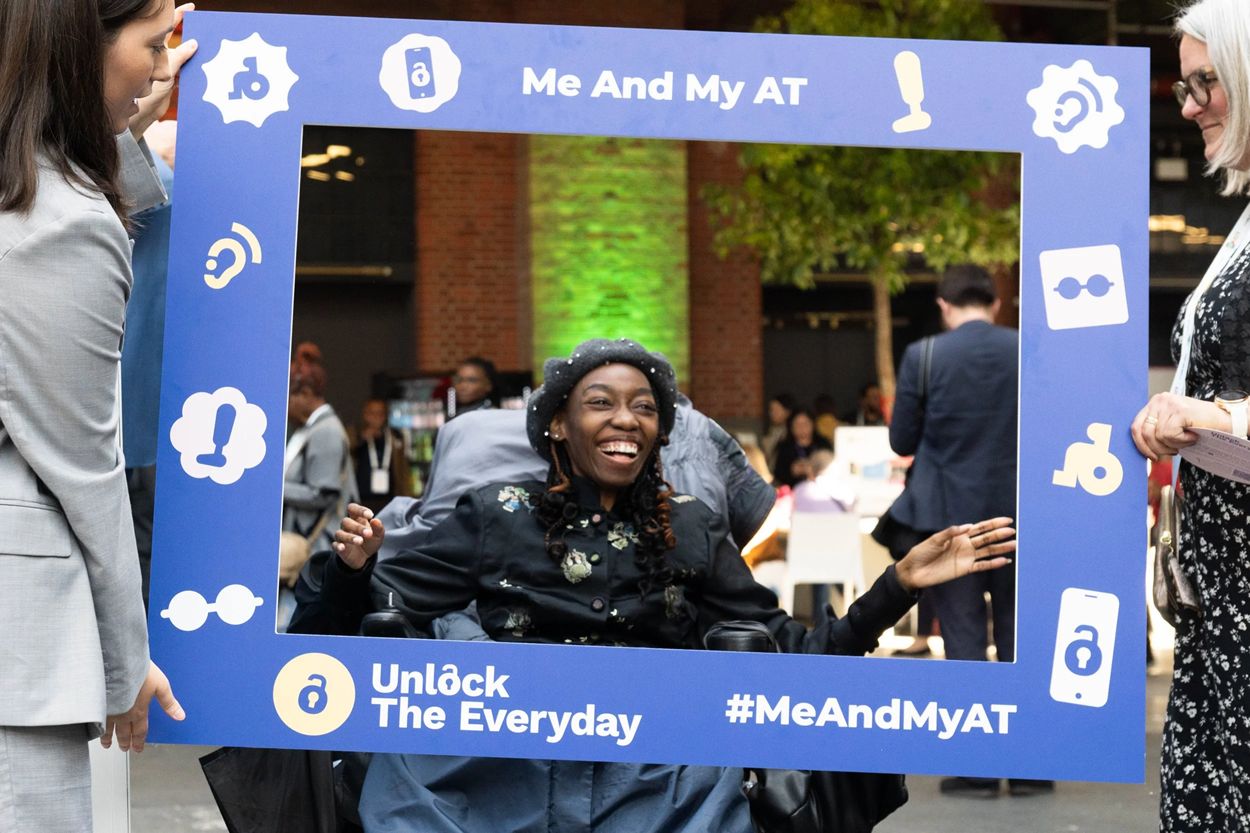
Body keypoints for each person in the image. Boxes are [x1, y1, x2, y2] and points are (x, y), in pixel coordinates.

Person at [292, 337, 1016, 831]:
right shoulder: (493, 514)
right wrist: (353, 570)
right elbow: (347, 630)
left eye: (643, 406)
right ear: (558, 427)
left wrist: (896, 584)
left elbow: (795, 651)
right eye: (601, 402)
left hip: (662, 783)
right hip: (494, 766)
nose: (625, 418)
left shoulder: (693, 528)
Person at [0, 0, 193, 827]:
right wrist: (128, 660)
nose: (160, 72)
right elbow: (83, 464)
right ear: (84, 49)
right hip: (21, 645)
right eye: (151, 47)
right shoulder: (64, 225)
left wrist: (117, 141)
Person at [1132, 3, 1250, 826]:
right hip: (1221, 590)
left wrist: (1207, 413)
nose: (1192, 104)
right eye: (1184, 86)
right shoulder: (1241, 225)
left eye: (1207, 81)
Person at [887, 265, 1033, 797]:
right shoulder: (1028, 349)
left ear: (945, 306)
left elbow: (902, 439)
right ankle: (1030, 762)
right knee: (1021, 634)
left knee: (965, 634)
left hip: (949, 518)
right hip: (1021, 514)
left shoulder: (924, 355)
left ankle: (976, 765)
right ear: (996, 305)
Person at [284, 343, 356, 557]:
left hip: (319, 548)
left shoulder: (326, 431)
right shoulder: (310, 428)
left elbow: (323, 493)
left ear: (306, 394)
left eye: (286, 397)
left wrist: (275, 488)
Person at [349, 398, 410, 515]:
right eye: (372, 413)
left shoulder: (395, 436)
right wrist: (362, 438)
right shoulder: (354, 433)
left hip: (389, 499)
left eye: (380, 413)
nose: (376, 417)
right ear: (365, 414)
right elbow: (347, 449)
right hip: (361, 499)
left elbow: (403, 468)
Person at [772, 406, 833, 489]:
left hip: (820, 491)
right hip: (793, 492)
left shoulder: (823, 444)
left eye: (805, 424)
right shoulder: (784, 447)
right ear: (791, 427)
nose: (802, 428)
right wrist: (792, 471)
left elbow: (833, 469)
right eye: (797, 424)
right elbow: (777, 474)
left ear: (813, 425)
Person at [760, 392, 796, 470]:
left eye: (776, 410)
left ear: (787, 412)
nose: (772, 414)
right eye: (771, 410)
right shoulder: (773, 430)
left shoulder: (793, 432)